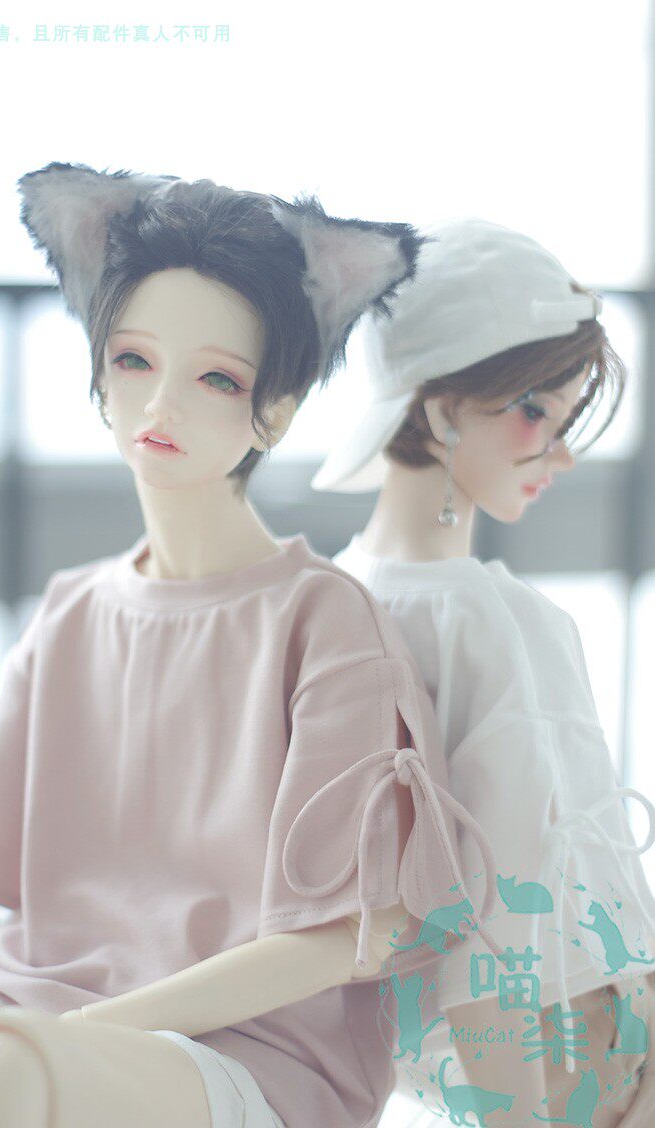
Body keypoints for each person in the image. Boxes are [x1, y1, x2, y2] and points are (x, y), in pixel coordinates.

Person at [0, 168, 500, 1128]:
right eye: (133, 360)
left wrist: (81, 1032)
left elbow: (350, 932)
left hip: (249, 1062)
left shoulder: (323, 623)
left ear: (278, 408)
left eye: (216, 377)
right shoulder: (71, 615)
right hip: (28, 1022)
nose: (161, 405)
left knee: (7, 1066)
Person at [312, 217, 655, 1126]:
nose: (560, 454)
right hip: (589, 1059)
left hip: (435, 1062)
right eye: (536, 413)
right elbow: (501, 905)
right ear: (438, 410)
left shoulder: (332, 594)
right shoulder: (493, 620)